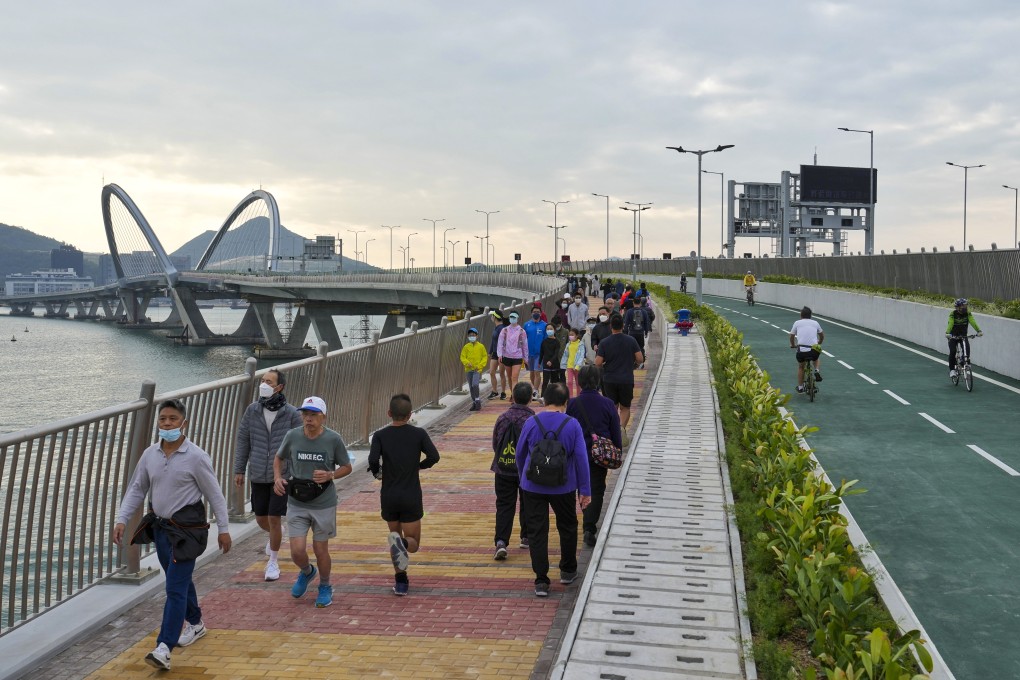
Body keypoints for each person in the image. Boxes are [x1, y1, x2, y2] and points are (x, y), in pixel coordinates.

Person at [112, 399, 232, 670]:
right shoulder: (150, 455)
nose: (167, 423)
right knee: (180, 580)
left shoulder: (197, 457)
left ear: (184, 423)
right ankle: (196, 623)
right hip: (161, 530)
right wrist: (121, 519)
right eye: (163, 419)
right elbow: (136, 489)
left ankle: (163, 647)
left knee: (174, 588)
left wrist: (224, 530)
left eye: (173, 419)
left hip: (186, 533)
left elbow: (215, 495)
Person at [273, 396, 353, 608]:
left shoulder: (333, 439)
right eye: (305, 414)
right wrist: (277, 478)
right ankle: (308, 572)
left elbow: (347, 466)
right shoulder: (293, 435)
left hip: (323, 503)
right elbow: (278, 458)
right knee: (297, 550)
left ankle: (325, 585)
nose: (308, 419)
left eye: (313, 415)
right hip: (297, 501)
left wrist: (330, 475)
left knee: (320, 549)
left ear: (323, 417)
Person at [515, 383, 591, 597]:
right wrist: (585, 490)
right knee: (567, 526)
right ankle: (567, 571)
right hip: (564, 486)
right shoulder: (572, 424)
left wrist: (523, 479)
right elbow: (581, 459)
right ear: (566, 402)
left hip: (532, 486)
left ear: (544, 400)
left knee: (537, 530)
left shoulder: (531, 422)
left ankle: (541, 580)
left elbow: (520, 454)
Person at [233, 368, 303, 582]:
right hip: (258, 472)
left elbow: (300, 443)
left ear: (279, 387)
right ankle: (276, 533)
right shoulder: (252, 410)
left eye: (269, 382)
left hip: (282, 476)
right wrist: (239, 469)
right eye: (262, 380)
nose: (263, 384)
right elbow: (243, 439)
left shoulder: (291, 413)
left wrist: (297, 472)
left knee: (273, 517)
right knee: (261, 518)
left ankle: (273, 561)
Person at [368, 393, 441, 596]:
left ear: (389, 413)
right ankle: (402, 545)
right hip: (411, 495)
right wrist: (418, 466)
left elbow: (373, 460)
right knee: (412, 544)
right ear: (410, 415)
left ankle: (401, 581)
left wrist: (378, 472)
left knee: (395, 538)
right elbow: (434, 456)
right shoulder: (418, 434)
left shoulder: (380, 436)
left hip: (389, 495)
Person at [566, 365, 622, 548]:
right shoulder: (607, 403)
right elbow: (615, 432)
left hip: (578, 454)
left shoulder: (573, 404)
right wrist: (617, 451)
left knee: (582, 487)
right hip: (599, 456)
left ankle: (586, 518)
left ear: (579, 382)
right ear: (598, 381)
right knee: (597, 489)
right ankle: (589, 527)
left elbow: (568, 430)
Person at [490, 382, 535, 557]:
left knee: (504, 505)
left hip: (502, 469)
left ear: (513, 397)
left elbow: (496, 444)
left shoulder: (502, 417)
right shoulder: (532, 420)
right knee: (528, 502)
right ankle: (526, 536)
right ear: (530, 398)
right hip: (525, 470)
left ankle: (501, 542)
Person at [595, 313, 644, 442]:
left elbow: (598, 362)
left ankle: (613, 430)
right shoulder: (631, 340)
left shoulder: (604, 342)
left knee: (612, 406)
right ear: (623, 326)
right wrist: (633, 364)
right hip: (626, 379)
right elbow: (640, 359)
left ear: (611, 326)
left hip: (609, 379)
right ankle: (621, 428)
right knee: (625, 407)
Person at [789, 307, 824, 393]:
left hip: (801, 350)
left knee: (801, 367)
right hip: (813, 350)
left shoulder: (797, 323)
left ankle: (800, 387)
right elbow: (822, 335)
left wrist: (793, 345)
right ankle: (816, 370)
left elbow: (792, 336)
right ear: (810, 315)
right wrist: (819, 342)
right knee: (816, 358)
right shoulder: (815, 323)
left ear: (801, 315)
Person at [946, 298, 983, 378]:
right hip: (953, 336)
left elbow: (973, 322)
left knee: (967, 351)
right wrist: (948, 333)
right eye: (963, 306)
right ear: (958, 307)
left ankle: (963, 363)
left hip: (963, 335)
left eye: (966, 305)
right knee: (953, 351)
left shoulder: (968, 313)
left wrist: (978, 331)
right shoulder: (953, 314)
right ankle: (952, 370)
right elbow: (950, 323)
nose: (965, 307)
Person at [497, 310, 529, 387]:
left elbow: (525, 345)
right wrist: (500, 355)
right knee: (509, 377)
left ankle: (515, 397)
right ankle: (512, 394)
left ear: (517, 319)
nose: (512, 319)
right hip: (507, 356)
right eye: (511, 317)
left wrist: (525, 358)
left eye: (514, 317)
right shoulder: (504, 330)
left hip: (517, 357)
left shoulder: (522, 331)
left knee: (514, 377)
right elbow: (500, 342)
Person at [461, 327, 489, 411]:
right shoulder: (466, 347)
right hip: (468, 369)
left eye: (473, 335)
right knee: (471, 387)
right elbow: (462, 357)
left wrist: (480, 365)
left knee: (475, 384)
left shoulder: (481, 346)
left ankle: (477, 400)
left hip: (477, 370)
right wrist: (467, 363)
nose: (472, 336)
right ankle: (474, 402)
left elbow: (484, 357)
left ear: (477, 336)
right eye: (470, 335)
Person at [523, 306, 548, 397]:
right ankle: (535, 389)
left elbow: (546, 339)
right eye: (534, 311)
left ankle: (536, 390)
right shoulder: (527, 325)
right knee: (532, 372)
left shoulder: (544, 325)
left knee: (537, 372)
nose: (536, 313)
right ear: (531, 313)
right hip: (529, 353)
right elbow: (523, 338)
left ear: (541, 313)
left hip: (539, 354)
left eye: (537, 311)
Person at [487, 311, 510, 400]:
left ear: (495, 317)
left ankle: (503, 392)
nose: (491, 318)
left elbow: (505, 342)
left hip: (502, 354)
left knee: (501, 373)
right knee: (492, 372)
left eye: (492, 316)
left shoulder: (502, 328)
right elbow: (493, 341)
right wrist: (490, 352)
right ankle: (494, 391)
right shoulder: (496, 328)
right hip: (495, 354)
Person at [560, 328, 586, 398]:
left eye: (572, 334)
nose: (570, 336)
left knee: (578, 383)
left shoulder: (580, 344)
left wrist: (578, 365)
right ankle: (570, 397)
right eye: (569, 335)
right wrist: (563, 364)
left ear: (577, 335)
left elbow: (581, 355)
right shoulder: (568, 344)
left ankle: (579, 397)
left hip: (577, 367)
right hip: (569, 366)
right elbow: (565, 355)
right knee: (569, 382)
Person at [539, 324, 561, 402]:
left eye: (551, 329)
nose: (549, 330)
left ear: (554, 330)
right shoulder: (544, 341)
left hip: (554, 364)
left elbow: (556, 353)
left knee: (554, 381)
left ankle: (555, 397)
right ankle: (543, 397)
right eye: (547, 329)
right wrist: (539, 361)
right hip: (545, 364)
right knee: (545, 381)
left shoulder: (557, 341)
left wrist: (551, 361)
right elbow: (541, 352)